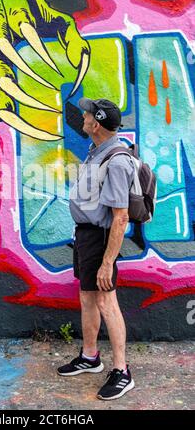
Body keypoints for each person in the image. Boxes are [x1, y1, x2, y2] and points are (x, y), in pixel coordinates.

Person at [57, 98, 135, 400]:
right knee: (88, 298)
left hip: (101, 239)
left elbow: (121, 217)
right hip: (86, 237)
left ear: (97, 124)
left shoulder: (115, 161)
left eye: (88, 115)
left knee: (106, 301)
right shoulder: (96, 151)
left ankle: (122, 371)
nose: (83, 117)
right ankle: (90, 357)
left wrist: (107, 263)